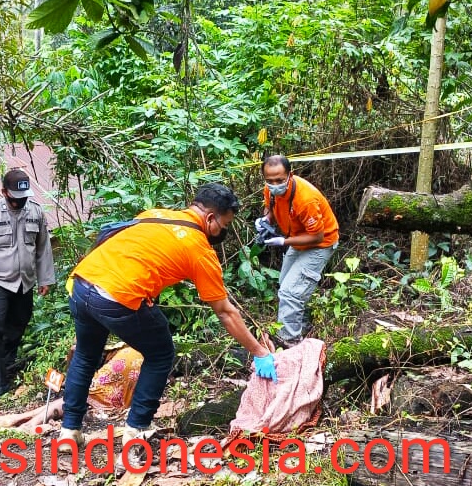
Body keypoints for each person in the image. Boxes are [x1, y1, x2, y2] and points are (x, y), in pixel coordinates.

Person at [60, 183, 278, 458]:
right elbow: (224, 311)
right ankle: (136, 429)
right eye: (224, 225)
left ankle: (69, 431)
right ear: (210, 218)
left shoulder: (155, 214)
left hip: (82, 284)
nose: (223, 232)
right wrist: (259, 352)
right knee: (161, 353)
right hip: (117, 296)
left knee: (85, 356)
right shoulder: (199, 248)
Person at [0, 168, 56, 406]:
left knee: (18, 323)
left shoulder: (35, 212)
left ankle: (5, 364)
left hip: (24, 282)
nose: (19, 202)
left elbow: (42, 247)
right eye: (14, 198)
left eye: (23, 197)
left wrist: (45, 278)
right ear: (4, 192)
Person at [256, 155, 339, 348]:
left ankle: (289, 342)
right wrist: (266, 220)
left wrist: (284, 241)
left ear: (290, 175)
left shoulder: (306, 199)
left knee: (290, 293)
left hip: (320, 244)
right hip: (297, 239)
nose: (274, 184)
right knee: (284, 284)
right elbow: (270, 209)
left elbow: (317, 236)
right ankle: (302, 326)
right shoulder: (270, 190)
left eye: (279, 180)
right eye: (269, 181)